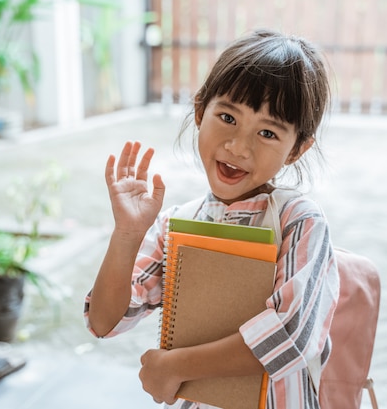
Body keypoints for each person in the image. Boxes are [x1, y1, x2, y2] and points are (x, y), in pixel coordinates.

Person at [84, 29, 340, 409]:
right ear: (200, 111)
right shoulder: (177, 224)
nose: (239, 147)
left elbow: (289, 334)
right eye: (227, 117)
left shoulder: (299, 222)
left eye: (268, 132)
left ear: (297, 149)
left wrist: (174, 366)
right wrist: (127, 234)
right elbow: (105, 321)